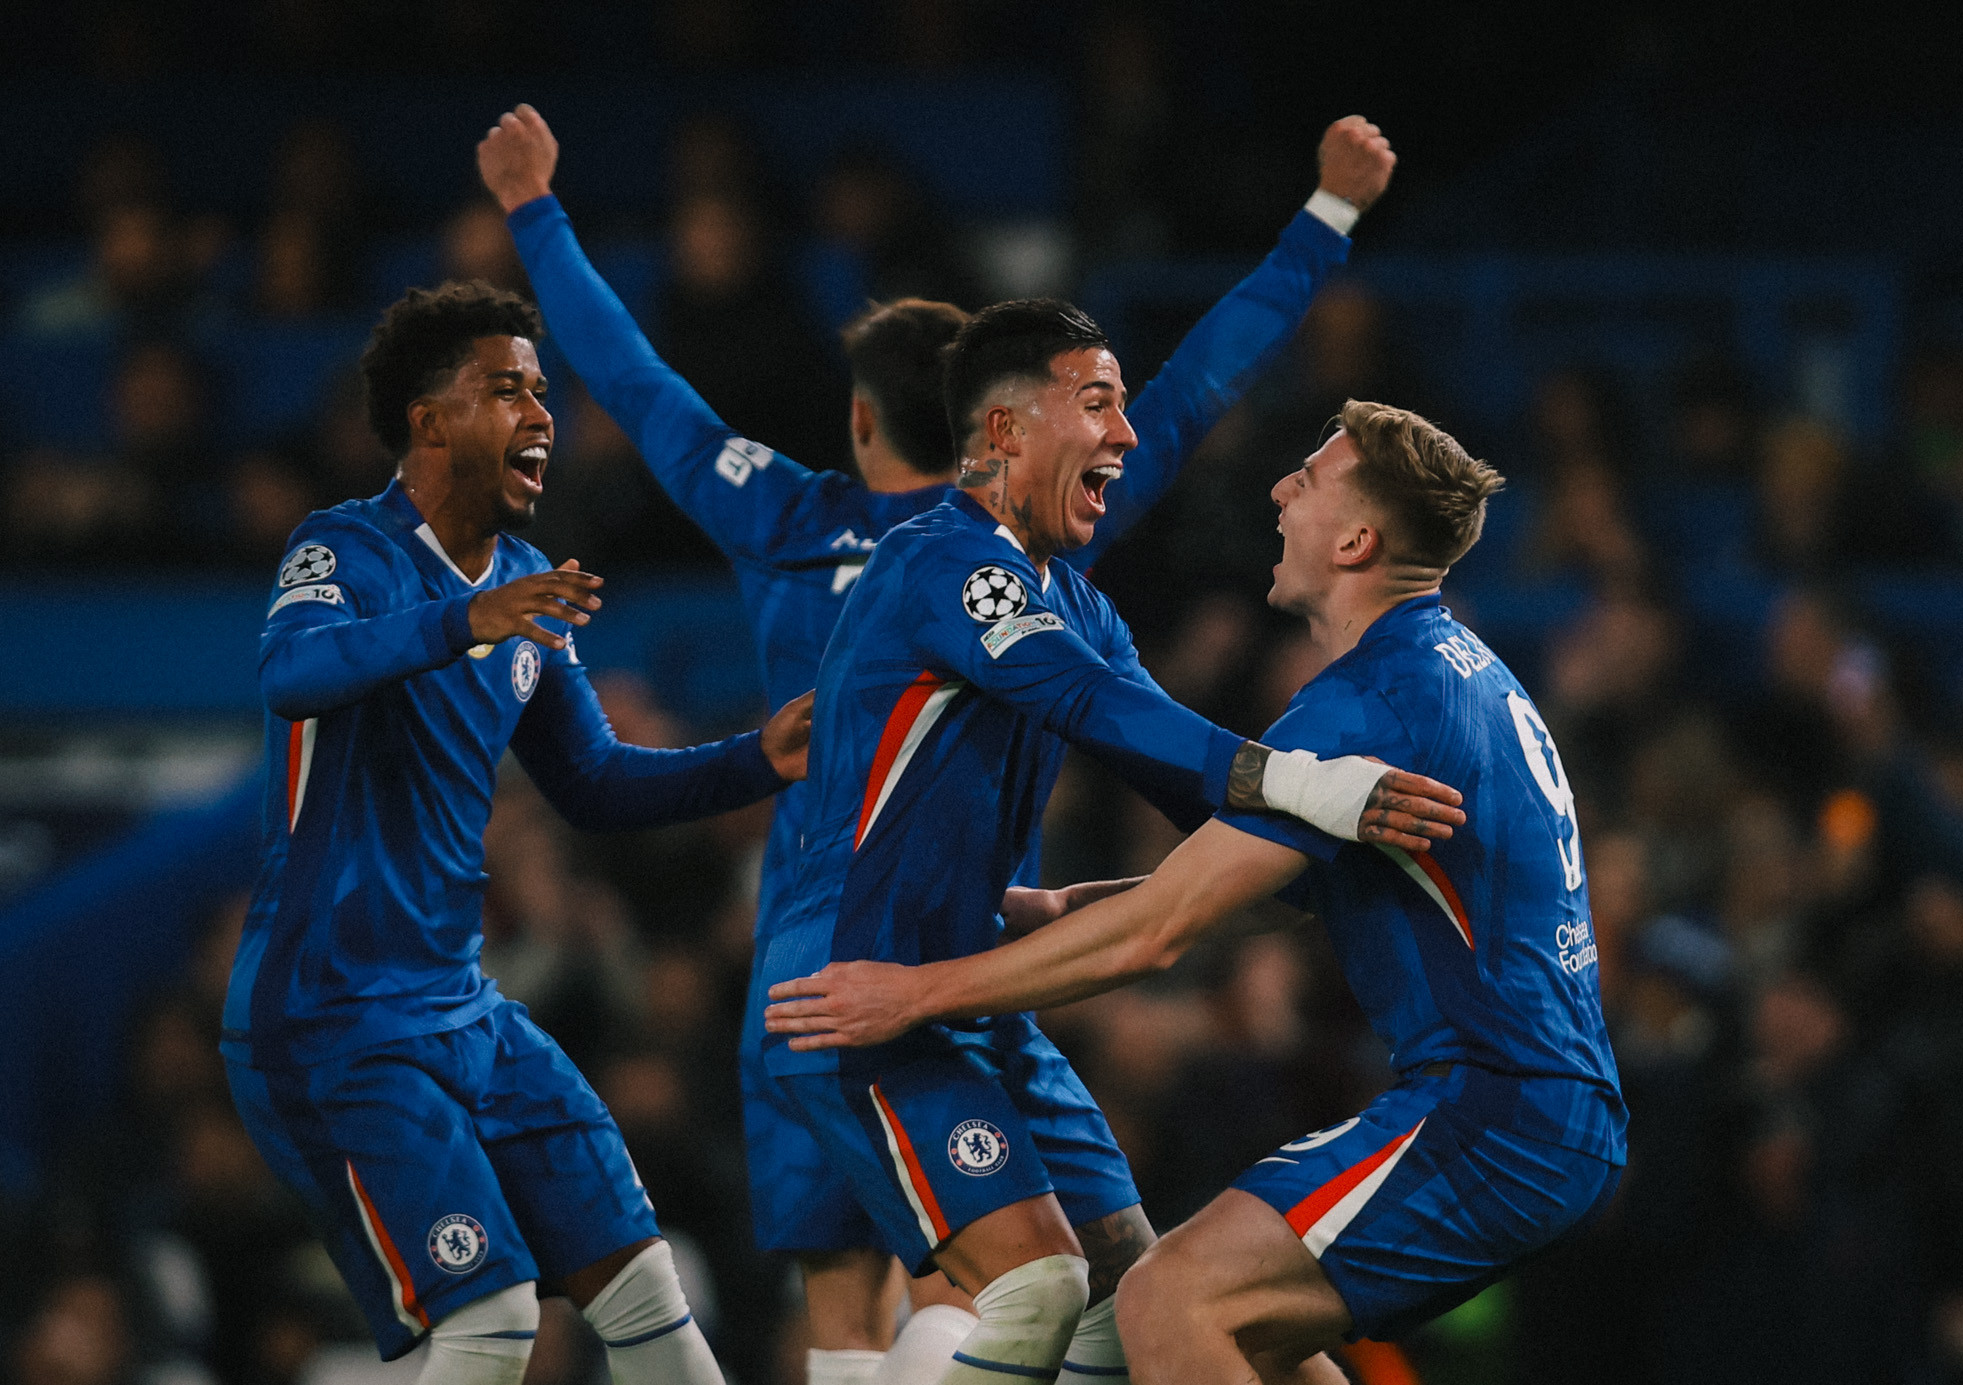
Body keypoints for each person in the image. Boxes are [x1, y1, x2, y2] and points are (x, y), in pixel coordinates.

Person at [476, 103, 1404, 1383]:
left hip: (929, 952)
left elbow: (633, 380)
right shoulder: (986, 555)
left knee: (910, 1304)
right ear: (998, 423)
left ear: (863, 423)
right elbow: (1201, 383)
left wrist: (535, 212)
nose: (1121, 432)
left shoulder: (791, 517)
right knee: (1022, 1285)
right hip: (868, 965)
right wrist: (1326, 215)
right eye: (1096, 407)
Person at [767, 402, 1630, 1383]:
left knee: (1169, 1298)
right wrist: (1057, 907)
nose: (1278, 489)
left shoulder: (1373, 699)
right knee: (1232, 1317)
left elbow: (1158, 932)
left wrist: (914, 992)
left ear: (1355, 541)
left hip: (1492, 1113)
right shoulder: (1452, 669)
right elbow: (1248, 896)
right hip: (1535, 1109)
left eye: (1308, 477)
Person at [219, 281, 813, 1385]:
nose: (542, 414)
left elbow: (592, 779)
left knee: (648, 1291)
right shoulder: (345, 549)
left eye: (543, 391)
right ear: (430, 421)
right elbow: (292, 673)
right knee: (492, 1320)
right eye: (508, 390)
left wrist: (754, 760)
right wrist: (462, 620)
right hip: (332, 1016)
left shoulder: (521, 588)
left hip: (462, 1005)